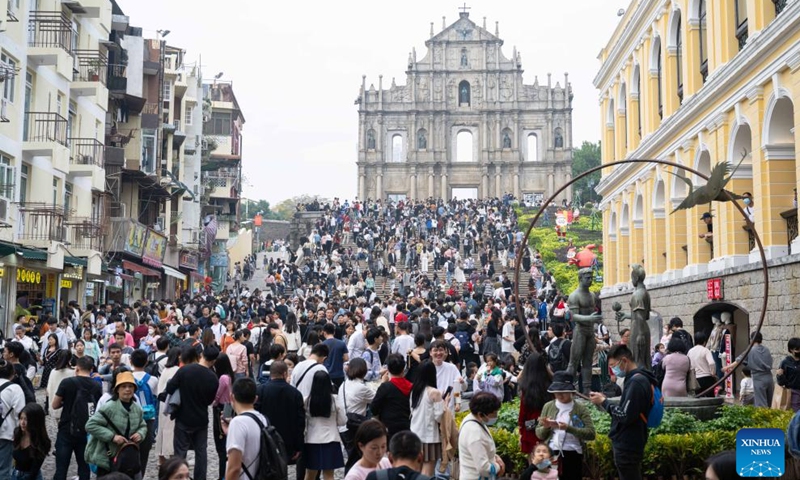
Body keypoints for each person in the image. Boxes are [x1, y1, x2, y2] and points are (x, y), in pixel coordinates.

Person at [590, 345, 657, 480]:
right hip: (632, 439)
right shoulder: (637, 378)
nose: (613, 370)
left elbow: (625, 415)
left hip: (628, 442)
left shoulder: (637, 382)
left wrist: (604, 402)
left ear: (624, 360)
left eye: (613, 365)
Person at [165, 345, 220, 480]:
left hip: (183, 417)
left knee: (180, 452)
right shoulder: (213, 378)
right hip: (201, 419)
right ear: (214, 360)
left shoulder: (185, 371)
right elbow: (209, 401)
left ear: (201, 355)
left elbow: (170, 388)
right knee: (201, 453)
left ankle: (177, 476)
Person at [85, 370, 148, 477]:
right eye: (123, 386)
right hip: (108, 459)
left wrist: (140, 434)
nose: (127, 389)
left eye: (130, 386)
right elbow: (91, 425)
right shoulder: (109, 407)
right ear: (117, 389)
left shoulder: (137, 408)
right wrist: (112, 437)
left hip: (129, 459)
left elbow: (143, 425)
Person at [534, 371, 596, 479]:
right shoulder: (548, 406)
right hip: (551, 452)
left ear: (571, 392)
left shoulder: (580, 408)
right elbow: (539, 434)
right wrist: (546, 426)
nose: (559, 395)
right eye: (557, 392)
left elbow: (591, 433)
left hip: (573, 452)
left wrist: (568, 428)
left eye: (563, 392)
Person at [52, 356, 102, 480]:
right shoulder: (96, 385)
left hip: (66, 429)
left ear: (77, 368)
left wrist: (67, 401)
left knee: (61, 469)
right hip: (87, 431)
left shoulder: (67, 382)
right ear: (91, 369)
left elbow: (55, 405)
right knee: (84, 468)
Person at [255, 361, 305, 466]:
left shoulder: (261, 391)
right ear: (285, 373)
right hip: (288, 440)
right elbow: (300, 422)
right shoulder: (295, 393)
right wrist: (299, 446)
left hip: (266, 439)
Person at [221, 377, 268, 480]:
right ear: (255, 399)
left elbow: (234, 468)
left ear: (231, 397)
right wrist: (229, 432)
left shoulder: (237, 422)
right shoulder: (262, 419)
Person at [304, 370, 347, 480]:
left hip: (311, 440)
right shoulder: (334, 400)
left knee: (309, 474)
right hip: (331, 440)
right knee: (329, 475)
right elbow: (343, 421)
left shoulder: (306, 401)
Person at [457, 391, 505, 480]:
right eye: (493, 413)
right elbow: (484, 468)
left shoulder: (472, 419)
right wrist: (498, 466)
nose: (496, 416)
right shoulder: (474, 434)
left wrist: (495, 457)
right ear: (480, 414)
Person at [409, 361, 445, 476]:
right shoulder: (434, 392)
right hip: (430, 437)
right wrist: (445, 403)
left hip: (414, 435)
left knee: (416, 470)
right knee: (428, 472)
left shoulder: (414, 391)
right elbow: (439, 417)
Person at [724, 332, 774, 408]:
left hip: (758, 378)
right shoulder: (766, 349)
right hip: (769, 377)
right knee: (770, 401)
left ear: (751, 340)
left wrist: (727, 367)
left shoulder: (750, 350)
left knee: (761, 403)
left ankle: (763, 419)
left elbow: (739, 361)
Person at [370, 353, 412, 442]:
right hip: (409, 426)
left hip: (390, 428)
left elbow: (373, 408)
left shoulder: (385, 387)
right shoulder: (412, 386)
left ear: (388, 369)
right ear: (403, 369)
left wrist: (382, 382)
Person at [517, 352, 551, 457]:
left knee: (533, 463)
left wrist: (521, 430)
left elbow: (523, 413)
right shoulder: (549, 385)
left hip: (530, 427)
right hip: (547, 425)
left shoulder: (526, 388)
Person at [337, 357, 375, 453]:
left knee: (352, 458)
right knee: (357, 459)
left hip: (343, 427)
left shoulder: (344, 384)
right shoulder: (361, 388)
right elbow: (377, 399)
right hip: (355, 427)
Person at [154, 347, 181, 466]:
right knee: (171, 430)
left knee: (162, 429)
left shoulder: (166, 369)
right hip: (171, 403)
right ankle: (171, 457)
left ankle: (161, 458)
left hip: (162, 402)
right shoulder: (176, 370)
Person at [0, 359, 25, 480]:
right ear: (12, 373)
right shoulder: (15, 388)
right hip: (6, 433)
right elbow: (20, 413)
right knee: (4, 470)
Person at [12, 403, 50, 480]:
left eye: (26, 419)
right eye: (21, 418)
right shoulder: (18, 434)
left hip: (31, 476)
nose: (22, 423)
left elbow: (33, 472)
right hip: (15, 474)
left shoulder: (40, 442)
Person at [687, 331, 717, 398]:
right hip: (707, 378)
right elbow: (711, 363)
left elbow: (689, 364)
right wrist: (713, 373)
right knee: (710, 399)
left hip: (695, 379)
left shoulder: (690, 351)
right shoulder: (705, 350)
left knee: (698, 399)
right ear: (704, 341)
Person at [777, 337, 800, 412]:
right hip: (793, 392)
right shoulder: (786, 362)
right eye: (797, 349)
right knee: (796, 413)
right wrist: (780, 375)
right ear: (791, 350)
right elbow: (781, 382)